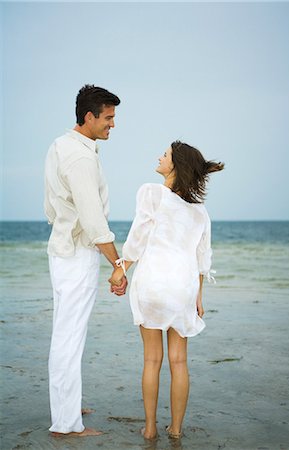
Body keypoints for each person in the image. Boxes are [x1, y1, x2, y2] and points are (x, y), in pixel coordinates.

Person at [109, 141, 224, 440]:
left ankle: (149, 429)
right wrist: (198, 297)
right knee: (179, 361)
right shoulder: (201, 213)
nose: (159, 157)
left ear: (176, 166)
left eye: (165, 155)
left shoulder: (151, 193)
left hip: (153, 285)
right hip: (182, 289)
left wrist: (120, 269)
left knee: (151, 360)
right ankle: (175, 429)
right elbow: (203, 261)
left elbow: (138, 237)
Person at [44, 84, 127, 437]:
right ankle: (65, 424)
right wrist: (117, 264)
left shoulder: (62, 145)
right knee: (69, 336)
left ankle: (68, 404)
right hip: (76, 254)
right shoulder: (79, 157)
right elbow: (94, 221)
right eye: (108, 118)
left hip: (63, 249)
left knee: (67, 333)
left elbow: (56, 207)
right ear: (89, 116)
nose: (113, 125)